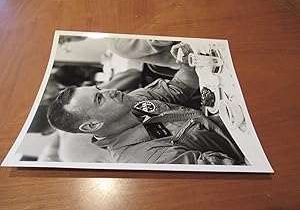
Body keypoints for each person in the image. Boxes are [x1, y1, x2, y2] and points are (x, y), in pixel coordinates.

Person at [47, 44, 245, 165]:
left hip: (238, 121)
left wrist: (187, 63)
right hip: (250, 147)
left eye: (99, 89)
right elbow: (231, 168)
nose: (109, 91)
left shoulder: (130, 102)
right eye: (99, 99)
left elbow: (179, 87)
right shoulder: (143, 157)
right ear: (92, 125)